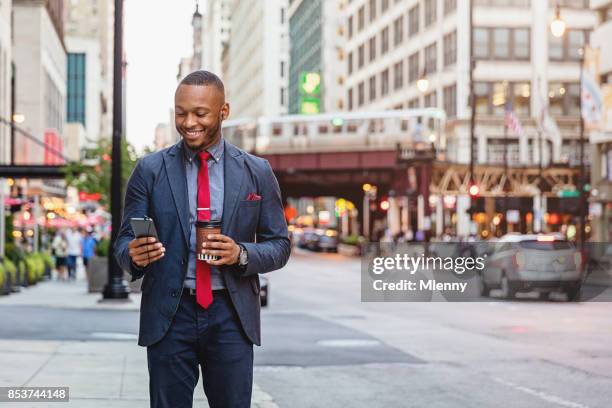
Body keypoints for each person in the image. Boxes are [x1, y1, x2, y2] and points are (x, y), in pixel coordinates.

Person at [114, 70, 290, 408]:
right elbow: (123, 244)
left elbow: (280, 246)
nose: (188, 122)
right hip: (170, 314)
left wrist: (241, 253)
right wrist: (135, 254)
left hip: (231, 315)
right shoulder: (149, 170)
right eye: (180, 113)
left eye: (200, 113)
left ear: (223, 112)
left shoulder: (257, 171)